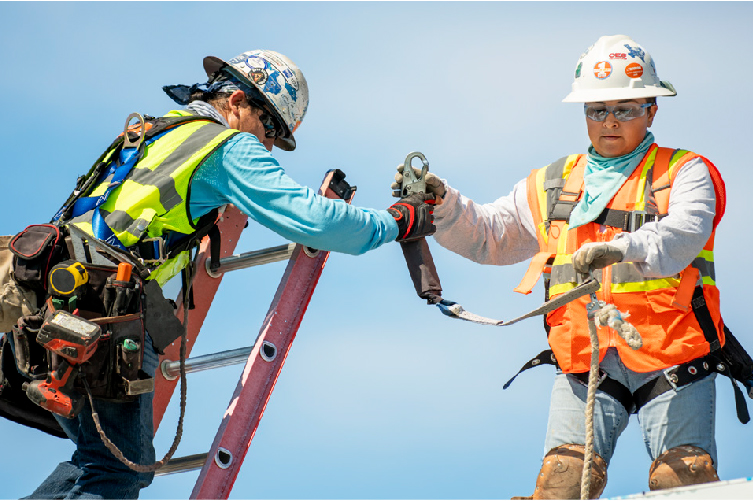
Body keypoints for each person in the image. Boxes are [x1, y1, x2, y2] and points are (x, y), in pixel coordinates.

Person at [10, 49, 435, 499]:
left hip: (49, 300)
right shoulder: (224, 147)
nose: (268, 144)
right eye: (269, 126)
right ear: (235, 101)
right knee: (118, 472)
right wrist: (396, 222)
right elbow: (315, 220)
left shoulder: (155, 131)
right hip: (104, 313)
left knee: (99, 461)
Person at [392, 35, 735, 498]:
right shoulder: (553, 183)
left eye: (625, 109)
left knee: (684, 478)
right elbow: (491, 236)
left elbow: (684, 236)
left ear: (652, 110)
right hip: (586, 361)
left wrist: (621, 248)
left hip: (674, 357)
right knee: (562, 484)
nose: (609, 121)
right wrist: (443, 202)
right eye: (597, 110)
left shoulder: (684, 172)